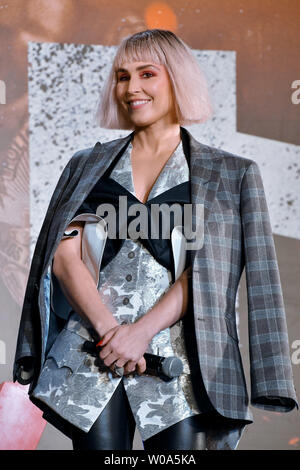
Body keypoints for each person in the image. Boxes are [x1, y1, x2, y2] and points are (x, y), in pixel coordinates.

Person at [13, 29, 298, 451]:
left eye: (147, 74)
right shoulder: (86, 165)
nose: (132, 88)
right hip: (93, 354)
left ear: (177, 79)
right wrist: (114, 333)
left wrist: (140, 333)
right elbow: (64, 256)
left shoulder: (231, 174)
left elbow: (211, 273)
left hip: (187, 368)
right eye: (123, 77)